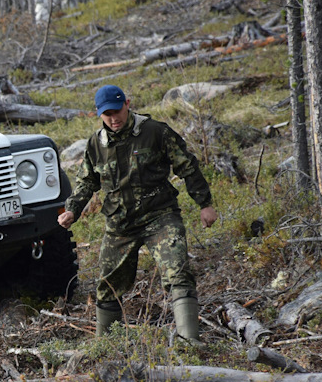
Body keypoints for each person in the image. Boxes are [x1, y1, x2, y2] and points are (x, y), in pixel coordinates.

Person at [57, 84, 217, 344]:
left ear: (127, 104)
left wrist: (204, 204)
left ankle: (191, 343)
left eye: (117, 111)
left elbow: (187, 165)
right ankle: (106, 347)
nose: (113, 118)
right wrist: (72, 210)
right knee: (108, 287)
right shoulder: (96, 144)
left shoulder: (155, 132)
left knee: (178, 273)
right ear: (98, 114)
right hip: (120, 225)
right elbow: (87, 181)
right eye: (106, 114)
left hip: (160, 217)